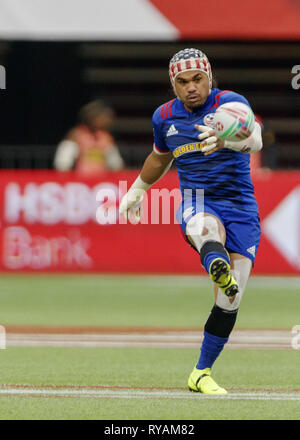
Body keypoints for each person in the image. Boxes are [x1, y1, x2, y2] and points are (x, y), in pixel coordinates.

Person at [119, 48, 262, 395]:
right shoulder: (164, 117)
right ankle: (216, 261)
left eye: (197, 79)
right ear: (173, 85)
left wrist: (228, 139)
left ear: (209, 76)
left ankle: (200, 373)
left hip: (240, 206)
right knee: (204, 229)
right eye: (182, 82)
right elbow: (159, 157)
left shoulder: (230, 103)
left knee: (230, 300)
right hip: (198, 201)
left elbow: (255, 137)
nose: (191, 88)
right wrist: (136, 191)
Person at [54, 100, 124, 175]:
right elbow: (63, 163)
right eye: (104, 117)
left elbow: (115, 164)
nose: (108, 121)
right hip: (82, 181)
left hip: (101, 182)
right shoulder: (76, 135)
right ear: (92, 117)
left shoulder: (105, 137)